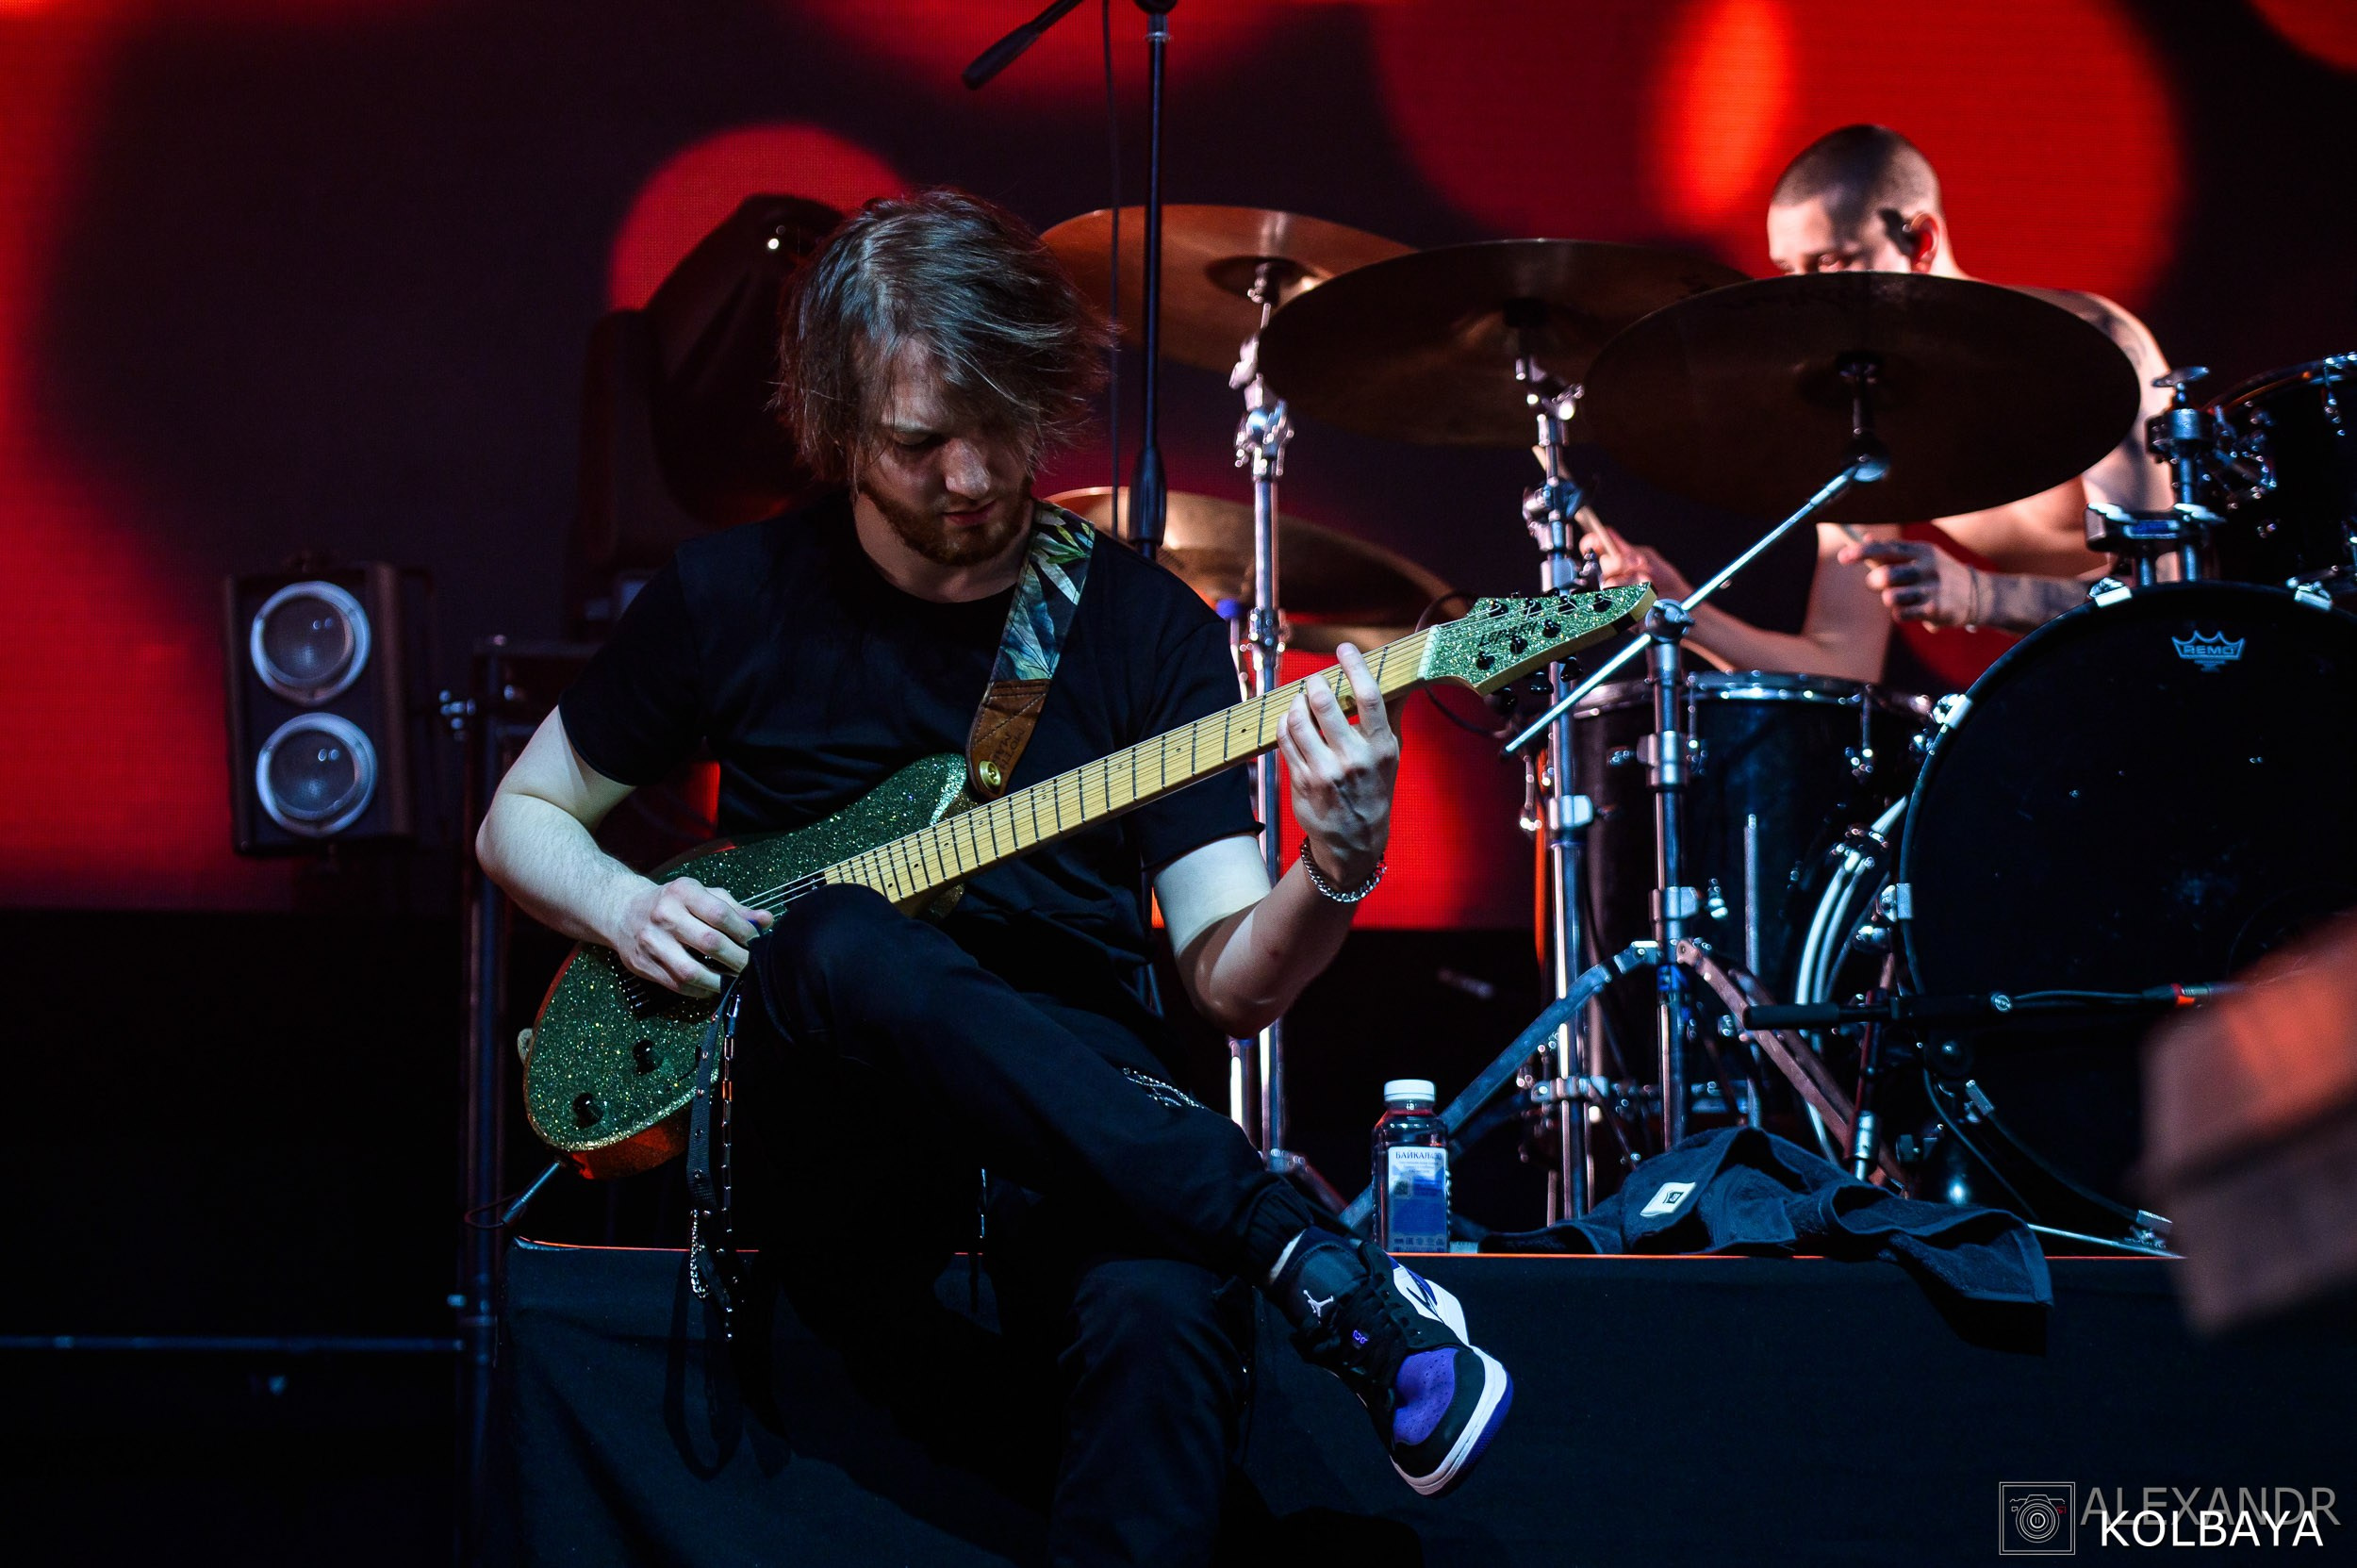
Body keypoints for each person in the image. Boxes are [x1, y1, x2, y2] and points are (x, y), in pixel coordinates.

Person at [475, 190, 1511, 1565]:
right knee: (840, 936)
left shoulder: (1142, 626)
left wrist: (1340, 860)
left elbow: (1228, 978)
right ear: (841, 428)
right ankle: (1299, 1243)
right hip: (833, 1113)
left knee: (1161, 1305)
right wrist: (623, 901)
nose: (970, 476)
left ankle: (1273, 1263)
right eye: (919, 443)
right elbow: (520, 816)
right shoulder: (732, 593)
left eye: (1003, 430)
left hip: (1087, 1117)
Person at [1582, 124, 2175, 691]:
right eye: (1790, 274)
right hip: (2027, 710)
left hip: (2168, 687)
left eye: (1832, 265)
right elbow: (1843, 661)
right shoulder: (1857, 411)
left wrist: (1979, 597)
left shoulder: (2092, 350)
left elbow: (2167, 594)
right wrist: (1684, 613)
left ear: (1920, 242)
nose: (1807, 302)